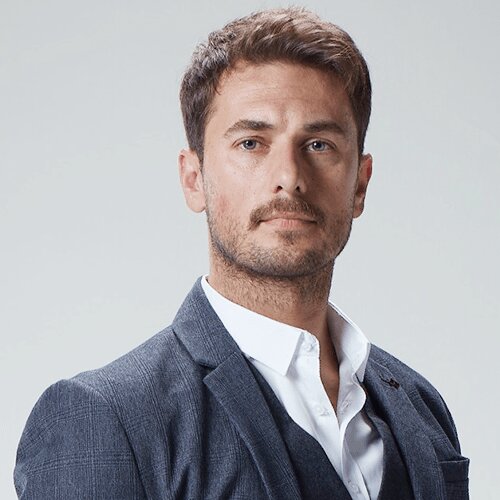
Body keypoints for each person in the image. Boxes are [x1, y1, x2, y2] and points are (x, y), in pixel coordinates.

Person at [14, 7, 469, 500]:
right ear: (194, 179)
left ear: (360, 184)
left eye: (319, 144)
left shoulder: (421, 405)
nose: (289, 177)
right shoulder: (107, 420)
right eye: (251, 143)